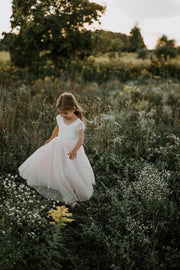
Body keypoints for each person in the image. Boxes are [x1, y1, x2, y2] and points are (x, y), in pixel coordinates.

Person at [18, 92, 95, 207]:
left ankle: (72, 193)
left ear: (74, 109)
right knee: (56, 168)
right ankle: (61, 189)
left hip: (71, 149)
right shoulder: (60, 118)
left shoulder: (78, 123)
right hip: (58, 146)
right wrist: (52, 138)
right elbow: (58, 127)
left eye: (66, 113)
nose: (63, 115)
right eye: (60, 112)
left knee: (71, 170)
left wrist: (74, 150)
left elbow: (80, 139)